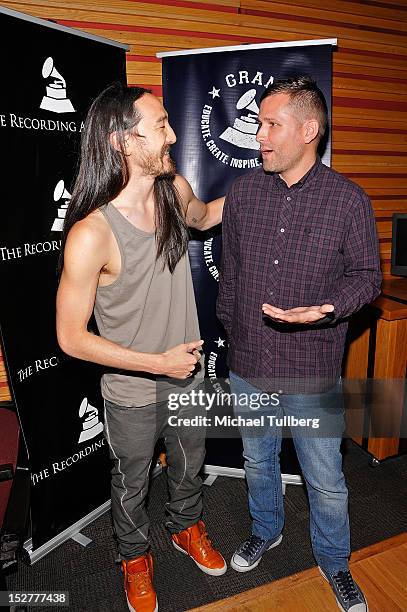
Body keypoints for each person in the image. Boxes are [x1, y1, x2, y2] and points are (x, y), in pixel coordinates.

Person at [56, 83, 226, 612]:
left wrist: (263, 185)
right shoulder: (91, 233)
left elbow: (200, 217)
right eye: (160, 126)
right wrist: (157, 363)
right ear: (122, 141)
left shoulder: (173, 188)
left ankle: (186, 527)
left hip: (188, 377)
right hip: (132, 387)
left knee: (189, 464)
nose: (173, 134)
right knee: (130, 483)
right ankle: (134, 558)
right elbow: (70, 338)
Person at [217, 76, 382, 612]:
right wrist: (233, 335)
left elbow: (366, 278)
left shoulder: (348, 201)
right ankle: (266, 531)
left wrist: (328, 309)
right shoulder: (242, 194)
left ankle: (335, 564)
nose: (259, 134)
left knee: (326, 480)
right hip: (248, 364)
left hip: (311, 370)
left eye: (271, 125)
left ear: (308, 130)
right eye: (260, 123)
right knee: (258, 461)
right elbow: (231, 276)